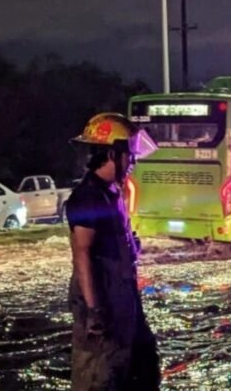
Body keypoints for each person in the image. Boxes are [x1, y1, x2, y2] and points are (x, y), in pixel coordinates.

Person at [66, 112, 161, 390]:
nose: (132, 161)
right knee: (101, 377)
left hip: (124, 302)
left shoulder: (112, 191)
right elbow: (81, 253)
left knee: (142, 370)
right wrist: (95, 311)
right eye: (128, 155)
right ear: (111, 153)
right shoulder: (87, 197)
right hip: (104, 307)